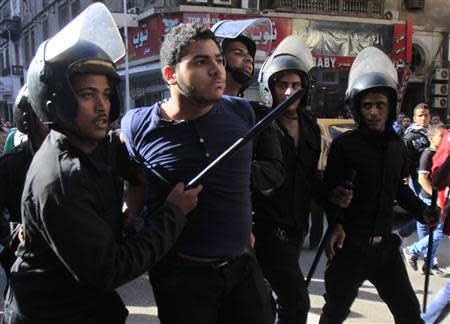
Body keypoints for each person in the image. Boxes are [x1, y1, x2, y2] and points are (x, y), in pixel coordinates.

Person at [3, 4, 201, 323]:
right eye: (87, 94)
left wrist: (125, 215)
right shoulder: (61, 178)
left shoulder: (91, 148)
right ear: (57, 101)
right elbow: (109, 270)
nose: (102, 106)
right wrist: (173, 214)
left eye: (106, 94)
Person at [121, 23, 274, 324]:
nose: (218, 70)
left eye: (218, 59)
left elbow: (239, 178)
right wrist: (129, 214)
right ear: (170, 75)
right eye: (201, 62)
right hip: (182, 280)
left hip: (243, 269)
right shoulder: (137, 126)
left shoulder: (241, 112)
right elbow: (132, 180)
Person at [319, 47, 439, 324]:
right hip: (349, 249)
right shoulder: (344, 146)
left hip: (385, 249)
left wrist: (422, 211)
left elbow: (399, 189)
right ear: (358, 109)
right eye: (367, 106)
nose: (373, 112)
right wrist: (334, 216)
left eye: (379, 105)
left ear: (390, 107)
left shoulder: (398, 147)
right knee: (334, 314)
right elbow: (325, 193)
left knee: (410, 315)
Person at [251, 35, 320, 323]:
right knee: (296, 303)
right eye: (283, 85)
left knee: (272, 304)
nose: (290, 91)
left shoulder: (311, 127)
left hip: (296, 228)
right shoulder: (259, 125)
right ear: (271, 88)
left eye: (296, 85)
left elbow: (311, 177)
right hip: (266, 229)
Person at [213, 19, 284, 192]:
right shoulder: (197, 109)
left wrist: (235, 170)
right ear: (219, 59)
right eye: (238, 52)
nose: (248, 59)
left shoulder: (258, 115)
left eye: (250, 55)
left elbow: (274, 171)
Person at [0, 85, 49, 285]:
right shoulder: (11, 165)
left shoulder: (77, 159)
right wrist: (14, 232)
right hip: (24, 267)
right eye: (43, 114)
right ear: (28, 118)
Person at [403, 124, 447, 277]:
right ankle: (412, 250)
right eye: (440, 136)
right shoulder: (428, 154)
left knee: (431, 237)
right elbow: (422, 180)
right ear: (431, 138)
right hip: (429, 200)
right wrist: (437, 199)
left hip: (435, 199)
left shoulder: (443, 154)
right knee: (438, 232)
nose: (444, 140)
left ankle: (428, 265)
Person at [404, 103, 431, 194]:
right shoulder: (410, 137)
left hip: (433, 175)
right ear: (414, 118)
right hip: (417, 176)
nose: (423, 118)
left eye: (426, 115)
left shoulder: (435, 133)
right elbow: (405, 159)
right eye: (420, 116)